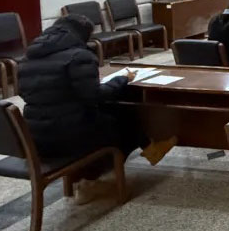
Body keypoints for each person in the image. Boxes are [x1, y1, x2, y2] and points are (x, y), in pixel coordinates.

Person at [18, 15, 164, 202]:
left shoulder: (28, 58)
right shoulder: (79, 56)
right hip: (70, 137)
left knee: (113, 114)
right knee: (124, 119)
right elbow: (95, 96)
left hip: (37, 138)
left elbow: (27, 93)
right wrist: (122, 79)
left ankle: (149, 150)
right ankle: (91, 180)